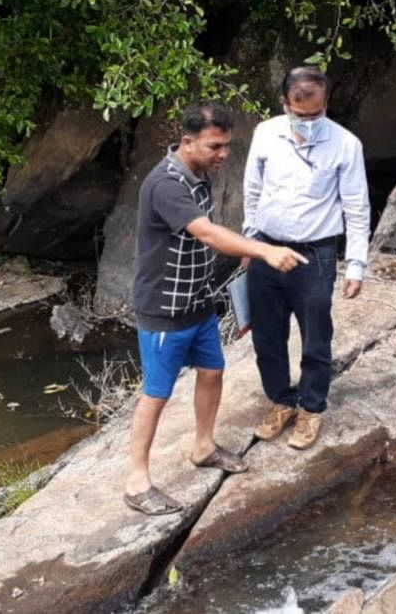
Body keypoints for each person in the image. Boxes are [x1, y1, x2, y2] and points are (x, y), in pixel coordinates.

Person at [125, 104, 307, 515]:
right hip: (164, 309)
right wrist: (262, 250)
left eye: (226, 145)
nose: (223, 153)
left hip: (198, 302)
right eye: (215, 146)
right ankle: (137, 482)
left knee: (212, 371)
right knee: (155, 394)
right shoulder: (166, 184)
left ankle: (203, 446)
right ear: (187, 142)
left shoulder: (200, 176)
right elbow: (206, 232)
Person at [241, 66, 371, 451]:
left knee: (316, 334)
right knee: (267, 333)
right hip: (267, 246)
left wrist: (357, 263)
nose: (310, 121)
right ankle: (281, 400)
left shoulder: (346, 144)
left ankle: (312, 407)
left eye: (316, 114)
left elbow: (356, 207)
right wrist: (251, 244)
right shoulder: (266, 133)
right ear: (285, 105)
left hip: (315, 253)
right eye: (301, 115)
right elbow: (252, 189)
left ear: (326, 104)